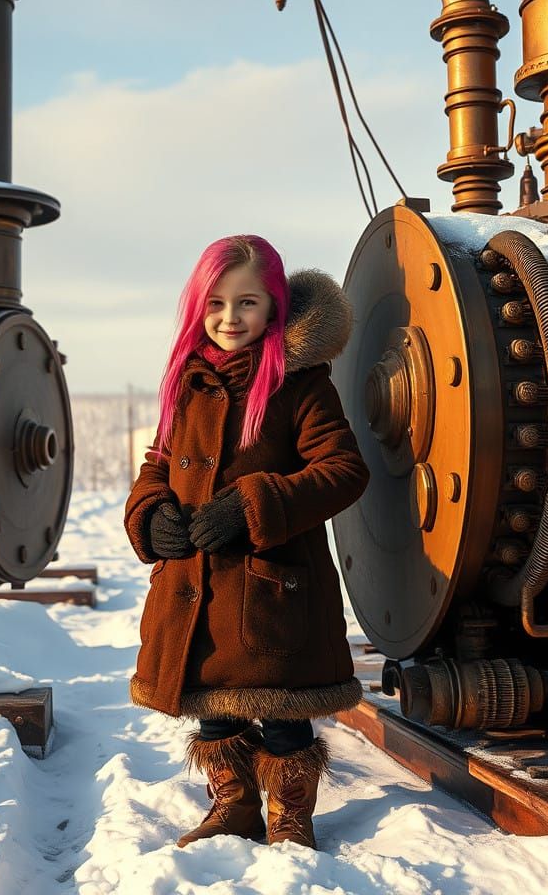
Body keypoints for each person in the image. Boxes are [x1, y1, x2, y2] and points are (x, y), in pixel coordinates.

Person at [123, 234, 371, 851]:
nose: (230, 318)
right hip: (195, 585)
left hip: (271, 585)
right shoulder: (188, 381)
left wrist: (249, 504)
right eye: (216, 303)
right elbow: (159, 464)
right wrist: (151, 512)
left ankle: (290, 816)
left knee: (284, 713)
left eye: (247, 303)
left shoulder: (301, 384)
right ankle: (231, 806)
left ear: (274, 306)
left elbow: (343, 470)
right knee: (214, 708)